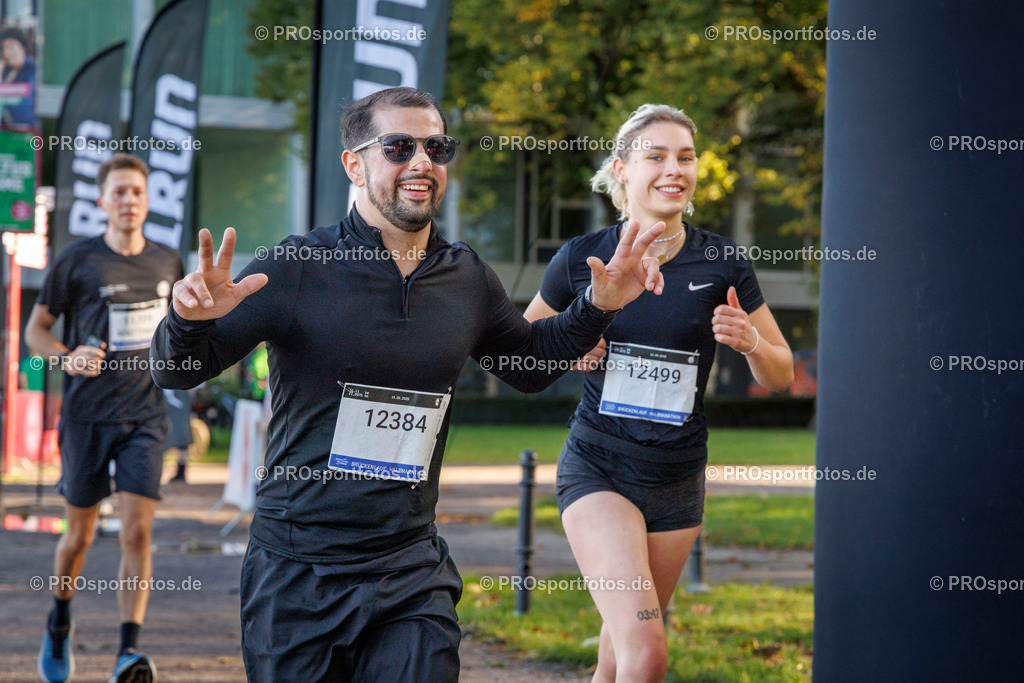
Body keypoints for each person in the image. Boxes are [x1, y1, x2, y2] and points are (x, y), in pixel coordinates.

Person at [150, 86, 665, 682]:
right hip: (299, 571)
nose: (422, 162)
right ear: (354, 163)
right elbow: (177, 371)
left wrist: (596, 306)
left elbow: (528, 366)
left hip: (409, 570)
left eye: (436, 147)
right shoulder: (298, 267)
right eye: (399, 147)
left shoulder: (464, 275)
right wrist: (186, 323)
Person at [524, 104, 795, 682]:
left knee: (619, 657)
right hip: (600, 468)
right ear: (621, 170)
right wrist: (572, 343)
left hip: (677, 478)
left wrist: (750, 343)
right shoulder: (582, 258)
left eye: (686, 157)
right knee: (648, 652)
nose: (675, 169)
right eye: (657, 156)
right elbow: (524, 353)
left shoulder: (722, 260)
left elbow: (781, 374)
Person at [26, 154, 184, 683]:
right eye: (118, 192)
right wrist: (66, 356)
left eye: (136, 192)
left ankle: (127, 652)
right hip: (87, 418)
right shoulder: (78, 262)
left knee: (137, 533)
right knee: (79, 537)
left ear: (147, 199)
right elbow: (36, 333)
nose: (129, 201)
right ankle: (60, 619)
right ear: (102, 201)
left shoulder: (167, 262)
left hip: (145, 416)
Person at [0, 26, 36, 125]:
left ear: (22, 48)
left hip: (25, 129)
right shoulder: (7, 70)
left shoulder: (32, 70)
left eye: (11, 47)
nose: (6, 52)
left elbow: (25, 103)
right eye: (4, 48)